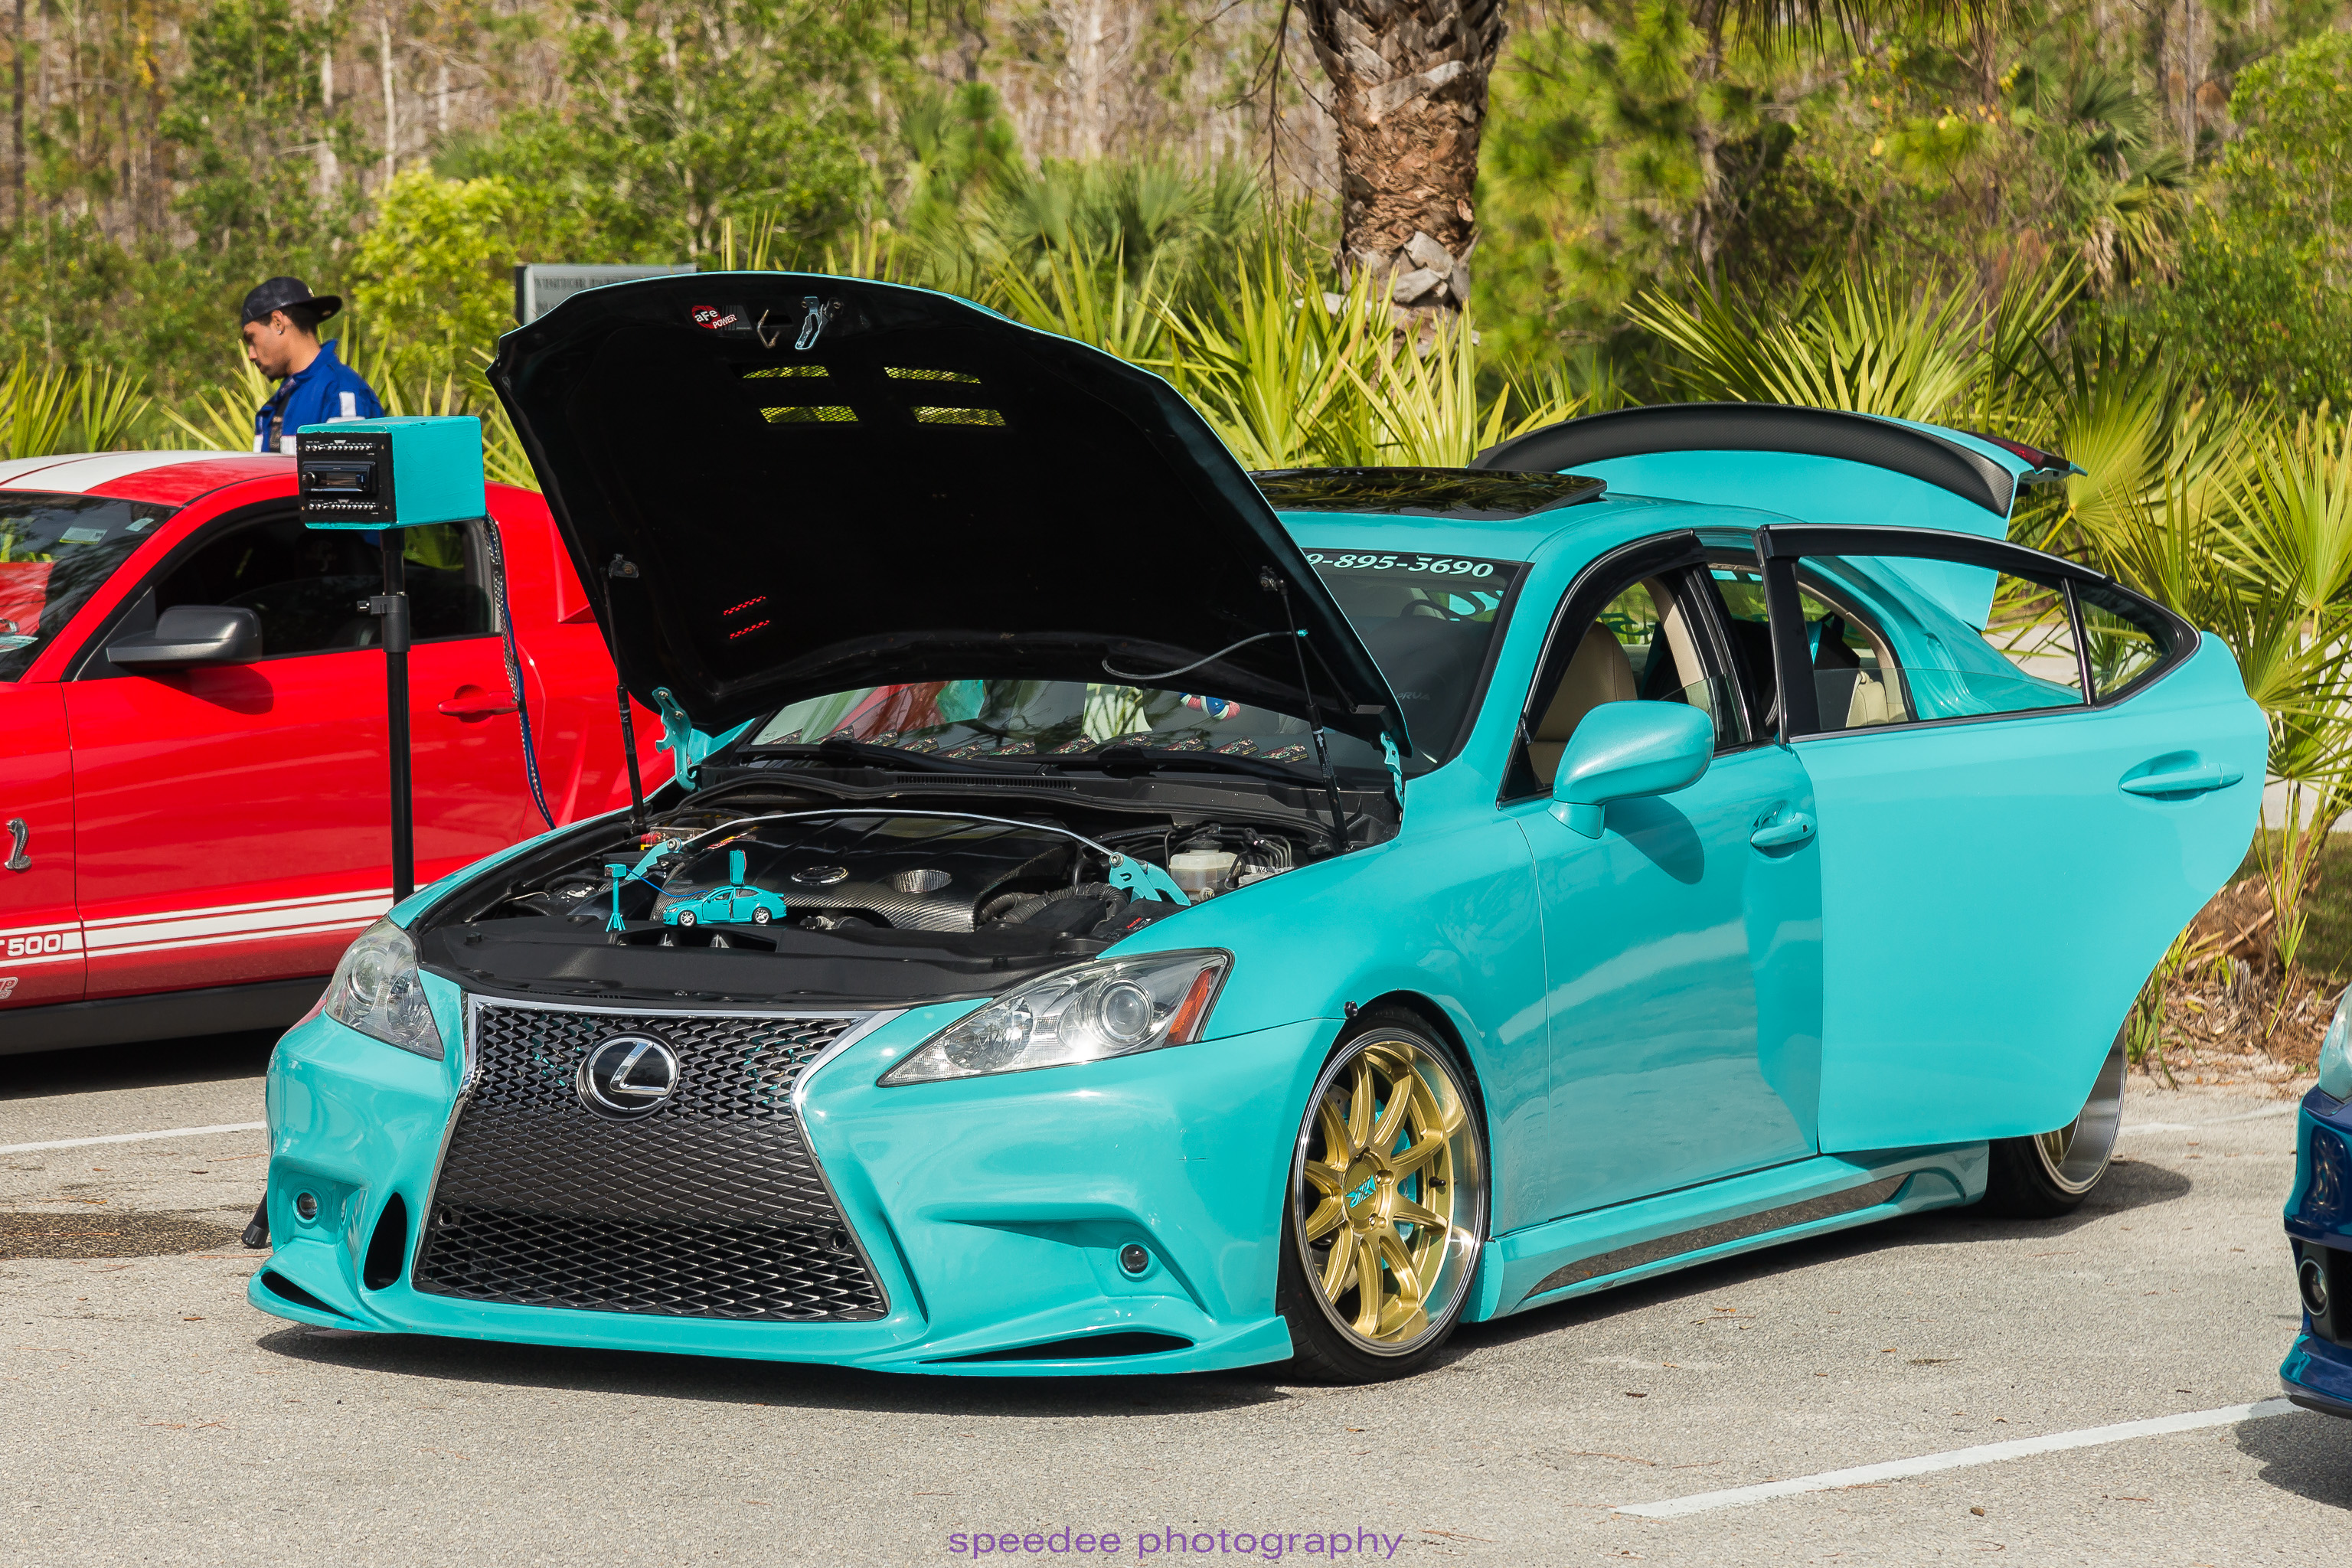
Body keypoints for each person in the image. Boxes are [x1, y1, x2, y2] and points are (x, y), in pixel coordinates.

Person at [240, 276, 383, 455]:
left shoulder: (340, 392)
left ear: (278, 322)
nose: (251, 355)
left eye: (251, 338)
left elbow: (346, 471)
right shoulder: (281, 402)